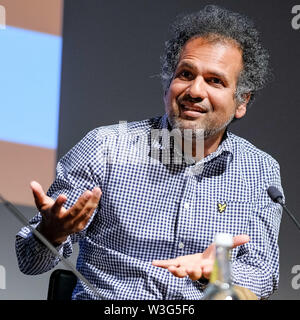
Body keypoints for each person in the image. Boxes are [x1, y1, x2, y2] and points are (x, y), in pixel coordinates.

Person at [16, 5, 283, 300]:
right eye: (185, 74)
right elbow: (29, 261)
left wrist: (216, 271)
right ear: (168, 83)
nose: (194, 90)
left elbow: (263, 271)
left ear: (241, 101)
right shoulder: (106, 148)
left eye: (214, 81)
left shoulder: (260, 170)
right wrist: (52, 233)